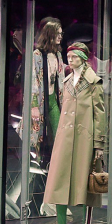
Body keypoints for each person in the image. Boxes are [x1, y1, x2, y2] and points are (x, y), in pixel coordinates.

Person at [44, 42, 106, 224]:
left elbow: (99, 114)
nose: (70, 60)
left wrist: (99, 143)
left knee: (88, 187)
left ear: (83, 58)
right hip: (65, 138)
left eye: (74, 57)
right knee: (59, 183)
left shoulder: (94, 81)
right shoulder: (67, 80)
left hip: (85, 140)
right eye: (69, 56)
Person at [29, 17, 65, 169]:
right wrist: (34, 105)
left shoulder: (58, 55)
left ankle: (56, 166)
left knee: (58, 134)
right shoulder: (37, 55)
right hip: (40, 101)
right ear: (49, 34)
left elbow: (60, 78)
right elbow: (33, 80)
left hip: (53, 100)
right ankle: (37, 165)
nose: (60, 36)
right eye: (58, 33)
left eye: (61, 34)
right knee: (37, 135)